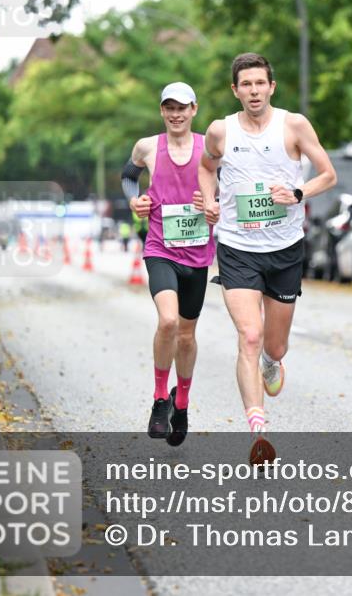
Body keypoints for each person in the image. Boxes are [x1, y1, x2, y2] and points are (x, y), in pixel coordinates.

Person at [194, 53, 336, 457]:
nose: (254, 91)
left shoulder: (293, 125)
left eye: (260, 83)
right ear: (235, 90)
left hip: (285, 248)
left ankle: (273, 363)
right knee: (249, 335)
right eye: (246, 84)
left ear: (271, 87)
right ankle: (257, 430)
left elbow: (328, 174)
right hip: (237, 247)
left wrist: (297, 193)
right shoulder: (220, 131)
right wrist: (210, 200)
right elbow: (206, 169)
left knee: (274, 346)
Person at [122, 81, 215, 447]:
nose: (176, 114)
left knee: (187, 336)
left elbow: (227, 187)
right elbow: (129, 177)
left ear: (194, 110)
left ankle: (182, 402)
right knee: (168, 321)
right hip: (161, 248)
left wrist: (212, 201)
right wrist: (135, 200)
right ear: (162, 111)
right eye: (170, 108)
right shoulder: (147, 147)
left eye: (183, 108)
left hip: (198, 253)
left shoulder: (210, 147)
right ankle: (161, 397)